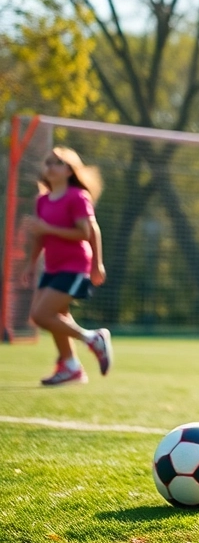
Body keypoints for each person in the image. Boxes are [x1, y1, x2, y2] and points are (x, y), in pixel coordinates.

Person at [20, 147, 112, 386]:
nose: (50, 166)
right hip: (52, 267)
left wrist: (97, 264)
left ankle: (92, 338)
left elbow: (87, 232)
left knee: (40, 315)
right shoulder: (42, 200)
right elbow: (40, 237)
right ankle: (71, 366)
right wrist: (31, 265)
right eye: (48, 162)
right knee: (57, 316)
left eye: (58, 163)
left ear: (70, 170)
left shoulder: (77, 196)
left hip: (75, 265)